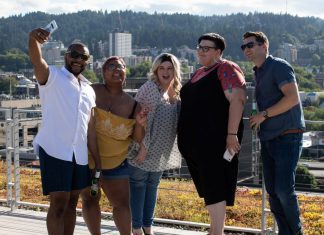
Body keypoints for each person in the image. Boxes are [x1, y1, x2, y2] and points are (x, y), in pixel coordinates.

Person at [28, 28, 101, 235]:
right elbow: (37, 61)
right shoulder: (52, 76)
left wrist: (97, 160)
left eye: (83, 56)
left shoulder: (89, 89)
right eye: (74, 54)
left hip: (78, 155)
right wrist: (33, 40)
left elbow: (90, 128)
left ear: (87, 61)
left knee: (71, 203)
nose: (78, 59)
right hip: (54, 149)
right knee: (59, 202)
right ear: (66, 56)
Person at [177, 33, 246, 235]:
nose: (201, 51)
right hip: (196, 144)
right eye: (199, 47)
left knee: (215, 185)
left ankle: (217, 232)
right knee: (208, 187)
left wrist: (231, 134)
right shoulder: (200, 72)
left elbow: (238, 99)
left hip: (213, 141)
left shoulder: (226, 68)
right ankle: (215, 230)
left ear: (218, 51)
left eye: (206, 48)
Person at [242, 31, 305, 235]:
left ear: (264, 45)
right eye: (244, 47)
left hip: (287, 135)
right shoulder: (258, 71)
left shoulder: (279, 66)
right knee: (273, 193)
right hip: (269, 137)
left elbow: (292, 98)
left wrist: (264, 115)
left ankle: (295, 232)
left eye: (250, 45)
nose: (246, 50)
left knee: (284, 191)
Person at [80, 56, 147, 235]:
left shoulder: (134, 105)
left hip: (116, 164)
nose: (117, 69)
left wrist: (140, 123)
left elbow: (137, 139)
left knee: (122, 204)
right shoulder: (90, 91)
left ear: (126, 73)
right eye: (111, 66)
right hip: (86, 160)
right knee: (89, 200)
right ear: (103, 72)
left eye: (121, 66)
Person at [128, 53, 182, 235]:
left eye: (169, 68)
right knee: (138, 187)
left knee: (152, 188)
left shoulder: (174, 91)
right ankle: (136, 229)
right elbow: (143, 121)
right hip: (144, 149)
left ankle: (147, 228)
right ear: (156, 70)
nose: (165, 72)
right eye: (161, 68)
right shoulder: (150, 88)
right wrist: (143, 148)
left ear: (175, 70)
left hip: (161, 152)